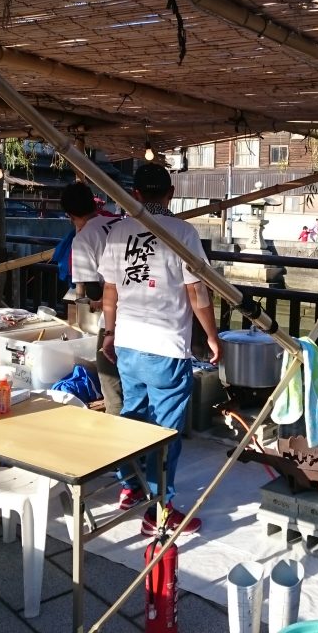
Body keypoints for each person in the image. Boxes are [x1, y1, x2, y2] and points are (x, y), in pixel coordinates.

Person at [98, 163, 221, 535]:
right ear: (171, 193)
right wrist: (212, 336)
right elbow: (197, 292)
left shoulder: (117, 232)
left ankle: (130, 489)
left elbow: (109, 291)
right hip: (165, 346)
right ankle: (159, 512)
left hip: (128, 343)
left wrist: (109, 333)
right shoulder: (182, 232)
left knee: (132, 418)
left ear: (135, 194)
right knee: (165, 431)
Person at [61, 181, 124, 415]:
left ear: (70, 214)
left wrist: (95, 299)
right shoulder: (120, 223)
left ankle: (118, 428)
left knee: (111, 383)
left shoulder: (84, 237)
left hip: (114, 318)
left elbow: (94, 291)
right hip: (142, 312)